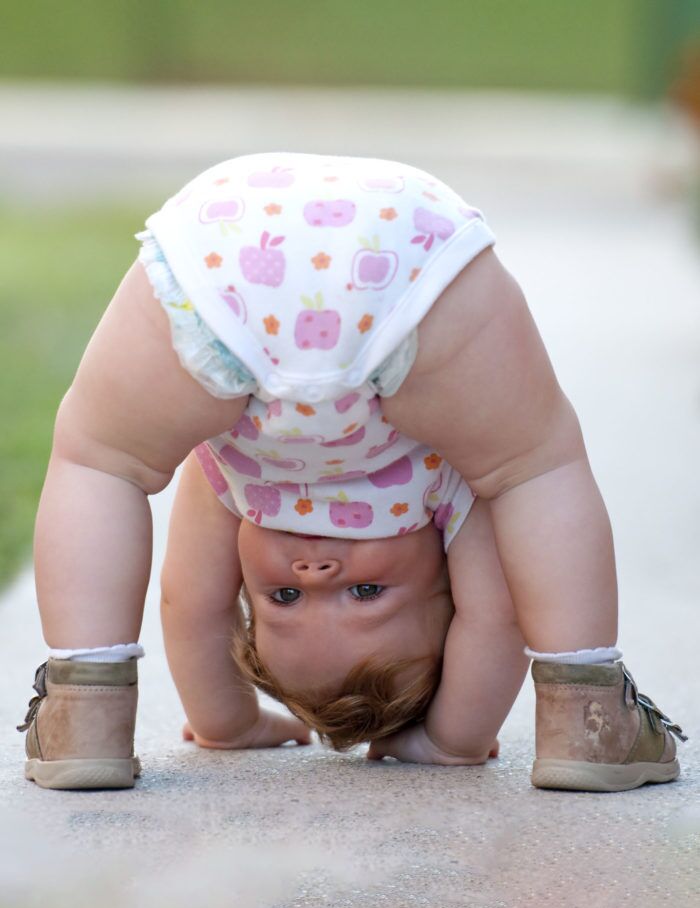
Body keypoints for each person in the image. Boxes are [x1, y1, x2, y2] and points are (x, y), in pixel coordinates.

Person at [18, 152, 685, 792]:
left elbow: (192, 604)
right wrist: (453, 738)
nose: (315, 571)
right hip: (391, 267)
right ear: (446, 578)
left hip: (229, 257)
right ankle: (587, 714)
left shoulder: (233, 488)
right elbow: (499, 613)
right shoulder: (445, 493)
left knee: (99, 458)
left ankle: (86, 712)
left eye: (282, 597)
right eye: (367, 592)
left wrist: (228, 721)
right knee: (531, 466)